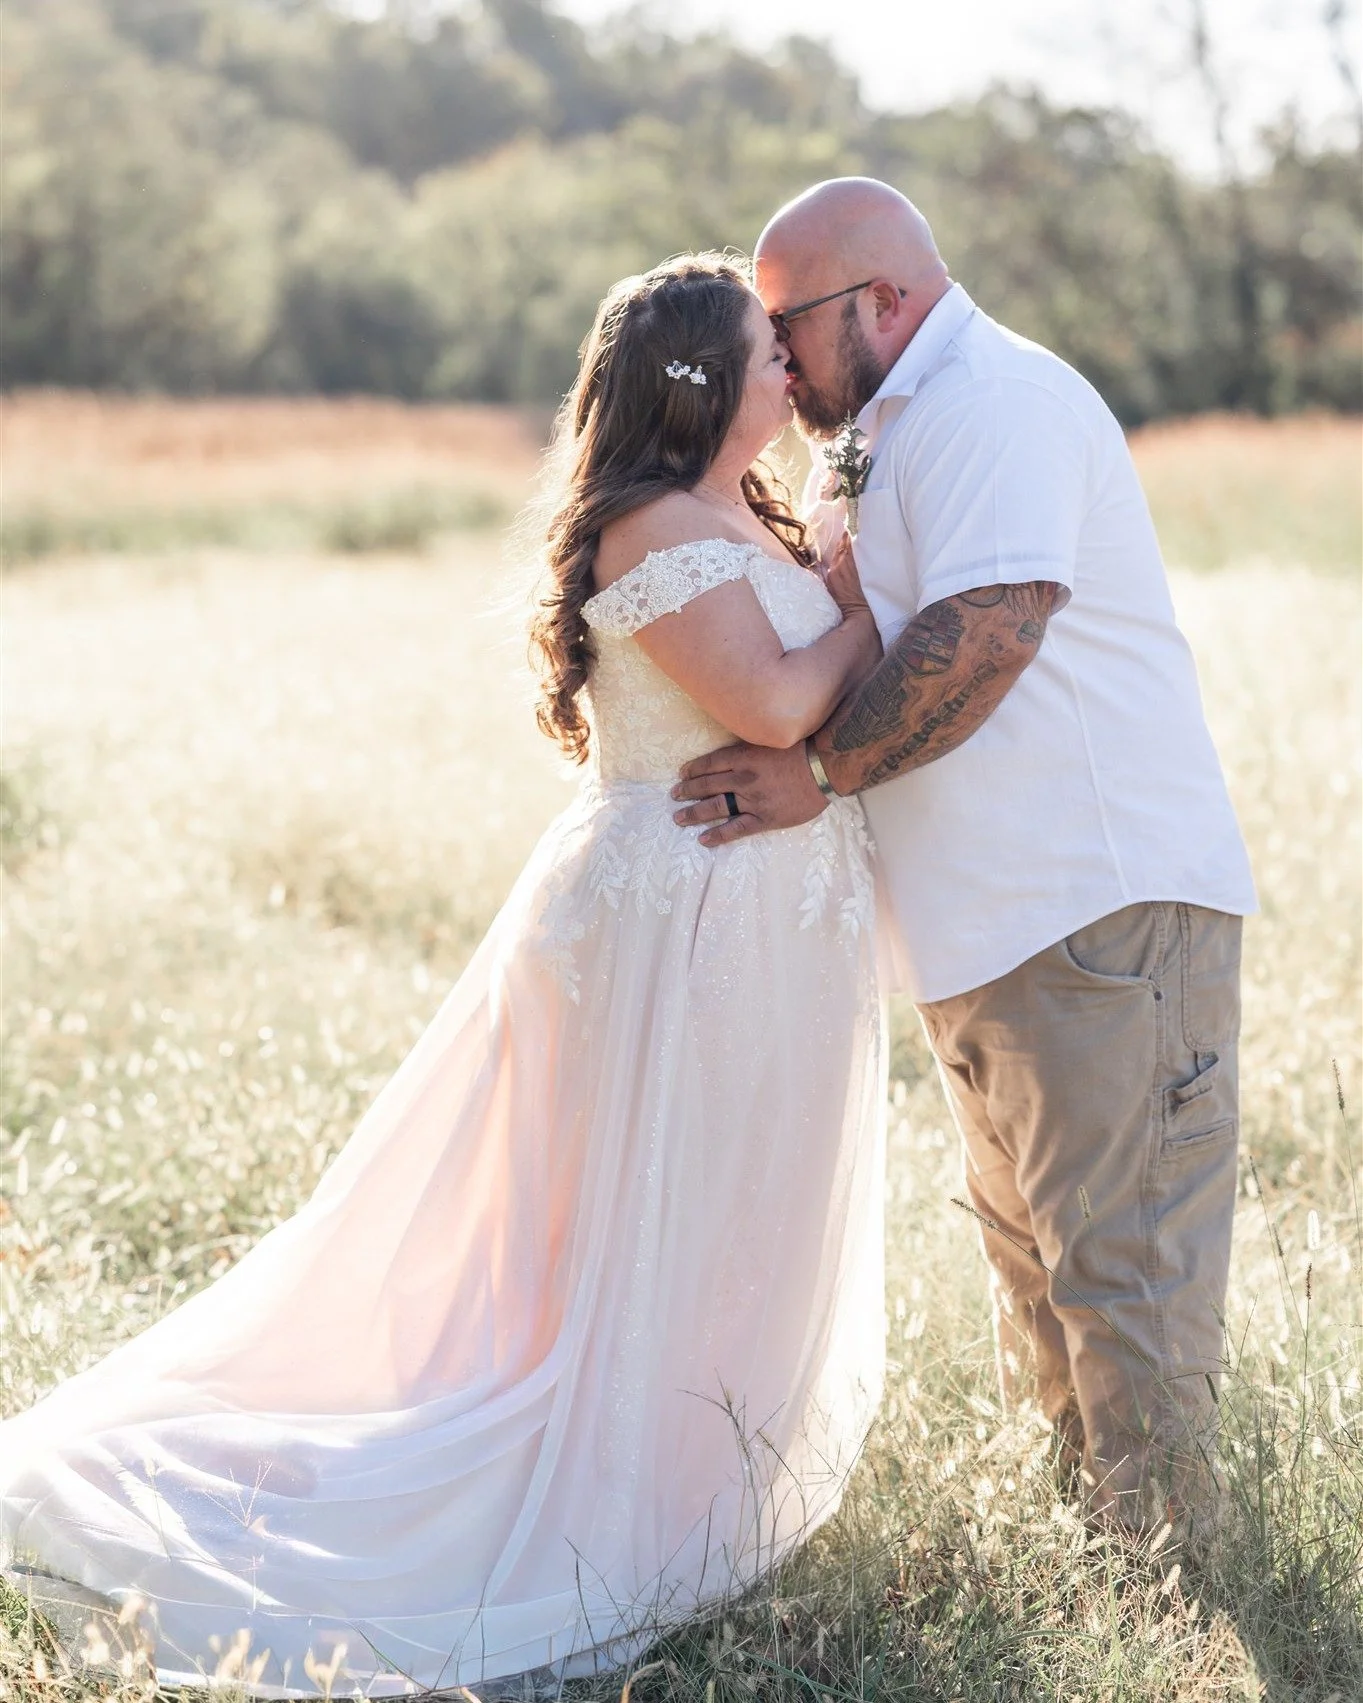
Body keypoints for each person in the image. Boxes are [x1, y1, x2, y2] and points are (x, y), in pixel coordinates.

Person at [0, 256, 889, 1696]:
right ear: (696, 383)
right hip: (674, 923)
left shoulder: (752, 508)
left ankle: (696, 1476)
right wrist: (864, 603)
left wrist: (837, 571)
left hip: (769, 923)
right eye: (763, 352)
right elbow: (778, 702)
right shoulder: (646, 527)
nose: (793, 367)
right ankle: (617, 1496)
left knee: (740, 1211)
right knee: (645, 1220)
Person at [673, 179, 1258, 1531]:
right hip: (978, 932)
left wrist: (814, 775)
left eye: (787, 323)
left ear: (879, 299)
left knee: (1125, 1279)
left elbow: (985, 629)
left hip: (1093, 910)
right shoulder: (875, 429)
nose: (774, 355)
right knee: (1035, 1272)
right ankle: (1091, 1578)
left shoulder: (997, 401)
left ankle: (1179, 1606)